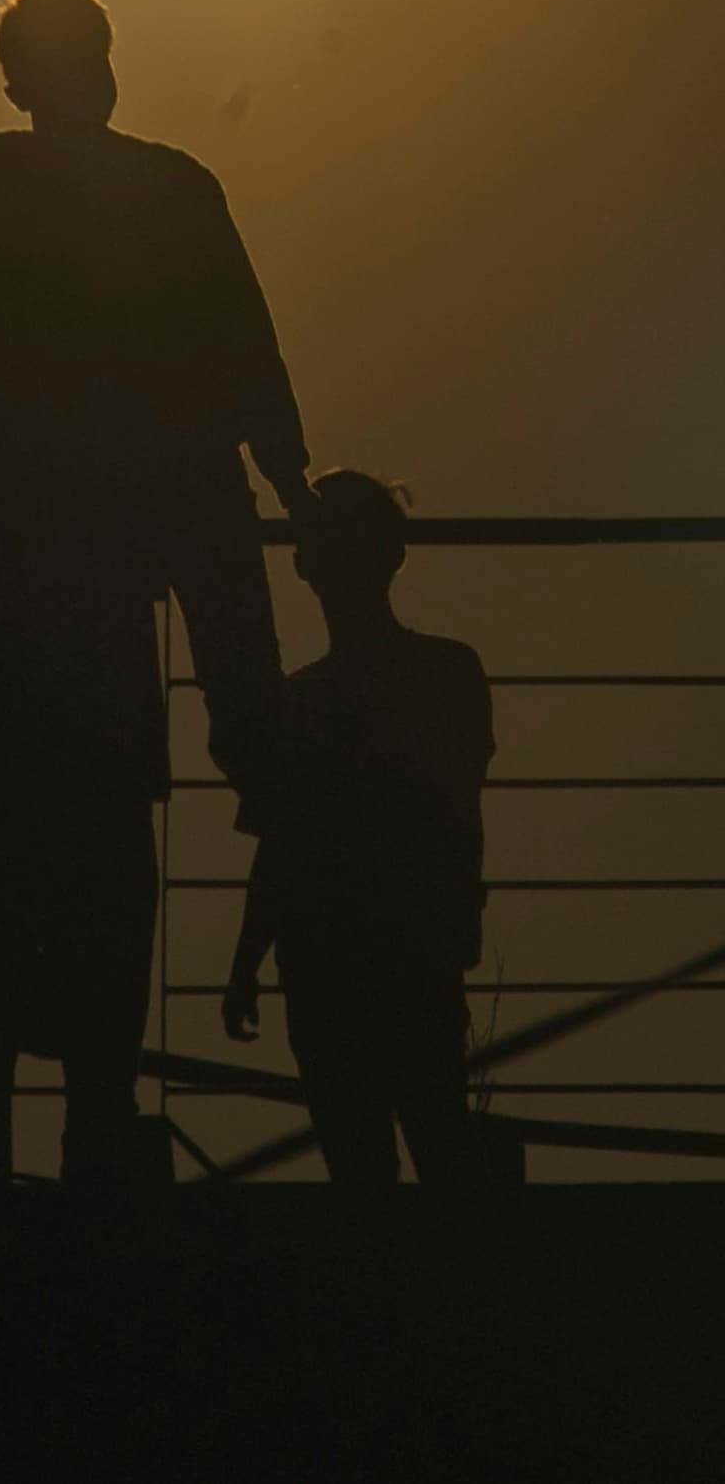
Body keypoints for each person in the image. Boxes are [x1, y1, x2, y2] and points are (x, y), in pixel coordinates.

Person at [0, 0, 312, 1188]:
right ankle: (78, 1128)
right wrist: (293, 491)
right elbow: (243, 350)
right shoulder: (161, 187)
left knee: (20, 866)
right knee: (84, 857)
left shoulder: (45, 179)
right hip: (85, 561)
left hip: (50, 557)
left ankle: (5, 1146)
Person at [222, 471, 494, 1187]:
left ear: (307, 564)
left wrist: (247, 958)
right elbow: (459, 815)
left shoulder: (301, 702)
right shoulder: (450, 675)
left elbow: (279, 846)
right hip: (414, 954)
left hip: (327, 969)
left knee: (360, 1173)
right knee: (440, 1147)